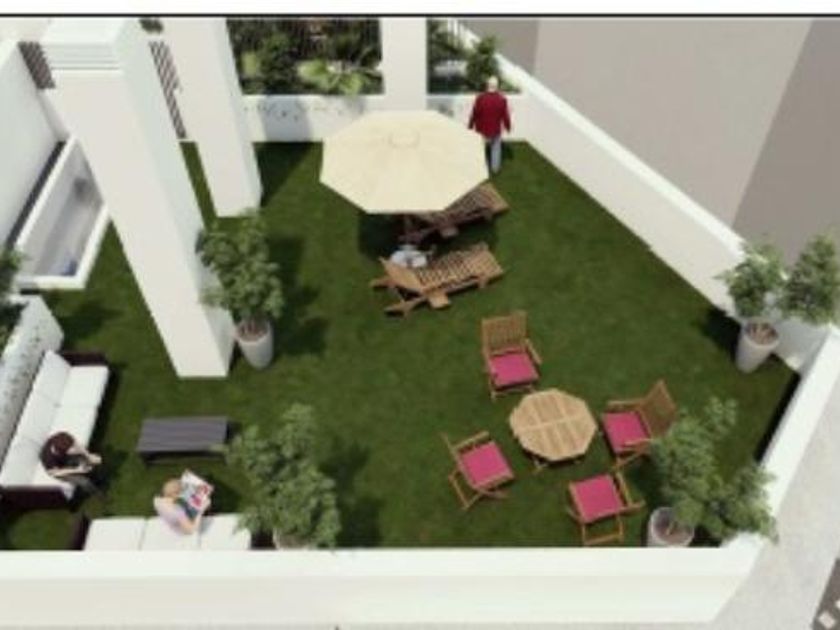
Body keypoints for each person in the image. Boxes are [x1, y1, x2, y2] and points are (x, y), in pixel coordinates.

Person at [468, 76, 511, 174]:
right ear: (497, 86)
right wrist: (508, 126)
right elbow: (505, 115)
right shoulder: (502, 99)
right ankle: (495, 169)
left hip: (482, 129)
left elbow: (475, 113)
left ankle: (484, 168)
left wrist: (470, 125)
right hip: (495, 130)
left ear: (487, 85)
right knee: (496, 149)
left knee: (482, 150)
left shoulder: (480, 98)